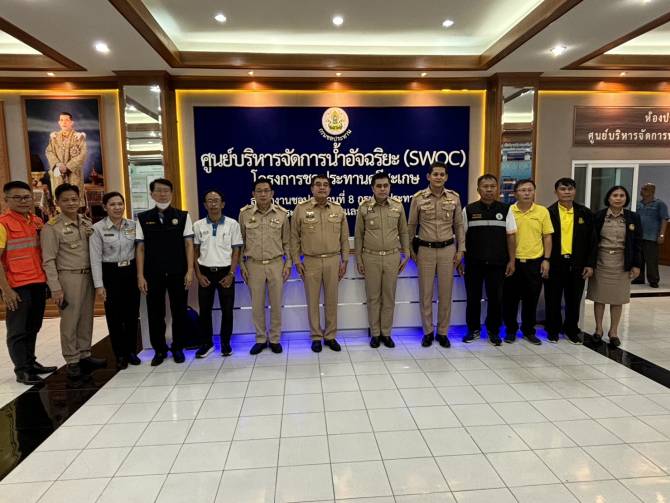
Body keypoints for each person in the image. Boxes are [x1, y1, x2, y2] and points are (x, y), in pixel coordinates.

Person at [41, 183, 106, 381]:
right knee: (70, 321)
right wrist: (55, 288)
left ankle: (85, 354)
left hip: (88, 276)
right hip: (68, 278)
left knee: (86, 317)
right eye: (66, 200)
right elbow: (48, 260)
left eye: (74, 199)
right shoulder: (52, 228)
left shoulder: (86, 223)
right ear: (57, 202)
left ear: (80, 200)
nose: (71, 203)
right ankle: (72, 360)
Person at [0, 181, 57, 385]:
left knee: (33, 325)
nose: (23, 201)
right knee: (18, 330)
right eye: (17, 197)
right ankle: (22, 370)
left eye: (27, 197)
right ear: (6, 200)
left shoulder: (36, 221)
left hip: (38, 281)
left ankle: (31, 362)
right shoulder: (3, 224)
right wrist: (6, 290)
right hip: (17, 285)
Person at [135, 178, 194, 366]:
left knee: (179, 311)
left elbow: (189, 244)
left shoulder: (183, 216)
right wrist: (140, 275)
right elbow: (140, 248)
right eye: (159, 191)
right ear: (151, 194)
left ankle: (178, 348)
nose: (162, 194)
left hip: (178, 272)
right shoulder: (142, 218)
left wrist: (190, 270)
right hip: (153, 274)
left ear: (172, 193)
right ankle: (159, 350)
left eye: (166, 190)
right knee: (155, 313)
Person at [408, 162, 465, 348]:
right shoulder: (418, 198)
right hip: (425, 250)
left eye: (442, 174)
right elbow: (411, 226)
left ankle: (442, 332)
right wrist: (410, 250)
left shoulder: (454, 197)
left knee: (445, 293)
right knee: (426, 293)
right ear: (428, 177)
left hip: (448, 250)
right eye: (435, 174)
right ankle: (427, 332)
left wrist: (461, 249)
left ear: (446, 177)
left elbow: (459, 226)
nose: (439, 177)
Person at [291, 175, 349, 353]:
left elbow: (344, 238)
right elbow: (294, 238)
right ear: (312, 188)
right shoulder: (301, 209)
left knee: (332, 300)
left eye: (325, 185)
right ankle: (316, 336)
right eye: (318, 185)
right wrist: (296, 261)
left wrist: (345, 260)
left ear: (330, 189)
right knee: (312, 300)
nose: (322, 188)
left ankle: (330, 336)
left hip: (333, 260)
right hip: (310, 261)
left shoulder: (338, 209)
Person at [354, 172, 410, 348]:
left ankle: (386, 333)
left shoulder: (398, 207)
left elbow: (404, 232)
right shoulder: (364, 207)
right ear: (373, 188)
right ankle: (375, 334)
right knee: (373, 297)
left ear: (389, 187)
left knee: (389, 297)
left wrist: (407, 253)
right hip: (370, 257)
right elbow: (358, 235)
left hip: (392, 257)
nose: (382, 189)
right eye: (379, 186)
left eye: (385, 185)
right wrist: (359, 259)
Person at [460, 174, 516, 346]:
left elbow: (511, 236)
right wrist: (460, 259)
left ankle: (493, 331)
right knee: (473, 298)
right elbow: (462, 237)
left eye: (492, 186)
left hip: (498, 264)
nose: (489, 190)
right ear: (478, 189)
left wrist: (512, 260)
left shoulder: (506, 209)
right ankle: (473, 330)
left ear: (497, 189)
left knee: (496, 299)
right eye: (485, 186)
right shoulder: (469, 210)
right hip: (473, 263)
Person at [89, 192, 141, 369]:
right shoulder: (97, 229)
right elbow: (95, 259)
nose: (117, 208)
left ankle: (131, 351)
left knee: (132, 315)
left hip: (130, 272)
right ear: (105, 207)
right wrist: (99, 285)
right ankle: (119, 354)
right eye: (112, 204)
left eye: (120, 204)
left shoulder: (133, 225)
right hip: (110, 273)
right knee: (114, 317)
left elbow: (140, 251)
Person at [239, 179, 291, 355]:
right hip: (253, 265)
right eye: (259, 191)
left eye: (266, 190)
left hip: (276, 264)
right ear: (253, 194)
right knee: (257, 305)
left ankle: (275, 338)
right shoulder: (245, 214)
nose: (263, 194)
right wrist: (241, 264)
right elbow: (241, 241)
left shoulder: (282, 214)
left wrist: (288, 263)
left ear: (272, 193)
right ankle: (261, 338)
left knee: (276, 304)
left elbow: (287, 242)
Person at [587, 186, 642, 347]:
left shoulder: (633, 218)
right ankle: (598, 330)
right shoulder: (599, 216)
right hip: (601, 260)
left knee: (617, 299)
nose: (618, 198)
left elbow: (638, 243)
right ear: (609, 198)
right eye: (615, 195)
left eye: (622, 195)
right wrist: (589, 264)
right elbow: (591, 242)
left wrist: (637, 264)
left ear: (626, 198)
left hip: (622, 261)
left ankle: (613, 332)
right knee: (599, 297)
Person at [544, 178, 596, 344]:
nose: (567, 192)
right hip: (555, 262)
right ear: (556, 192)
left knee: (574, 299)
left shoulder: (585, 213)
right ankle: (553, 329)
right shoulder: (548, 212)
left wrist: (590, 264)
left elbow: (593, 241)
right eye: (563, 189)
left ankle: (571, 329)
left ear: (575, 191)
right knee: (552, 298)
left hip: (577, 263)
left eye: (570, 189)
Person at [502, 179, 553, 345]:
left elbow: (547, 236)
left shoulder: (542, 211)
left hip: (534, 262)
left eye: (530, 190)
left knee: (531, 299)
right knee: (510, 299)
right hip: (512, 262)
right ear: (515, 193)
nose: (526, 193)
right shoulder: (508, 210)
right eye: (523, 190)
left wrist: (546, 259)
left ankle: (529, 331)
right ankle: (511, 330)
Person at [193, 189, 242, 358]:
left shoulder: (232, 224)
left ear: (223, 204)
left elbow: (236, 251)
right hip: (205, 272)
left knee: (227, 310)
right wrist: (198, 275)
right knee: (205, 310)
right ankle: (207, 344)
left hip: (225, 272)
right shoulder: (198, 225)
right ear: (205, 205)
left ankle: (225, 343)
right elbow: (194, 252)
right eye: (209, 201)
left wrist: (231, 274)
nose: (213, 204)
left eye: (216, 200)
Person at [45, 112, 87, 206]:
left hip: (74, 172)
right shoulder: (54, 137)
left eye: (67, 120)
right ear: (59, 122)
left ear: (72, 122)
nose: (64, 122)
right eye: (61, 120)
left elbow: (83, 154)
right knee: (59, 196)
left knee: (74, 197)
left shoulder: (78, 137)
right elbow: (49, 151)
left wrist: (68, 167)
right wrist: (58, 164)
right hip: (58, 171)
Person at [634, 183, 668, 288]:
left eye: (644, 189)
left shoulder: (659, 204)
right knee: (639, 258)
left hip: (652, 237)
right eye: (642, 189)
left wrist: (661, 235)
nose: (641, 191)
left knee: (651, 260)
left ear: (652, 191)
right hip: (639, 236)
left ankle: (653, 280)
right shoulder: (638, 204)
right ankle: (639, 278)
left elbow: (664, 219)